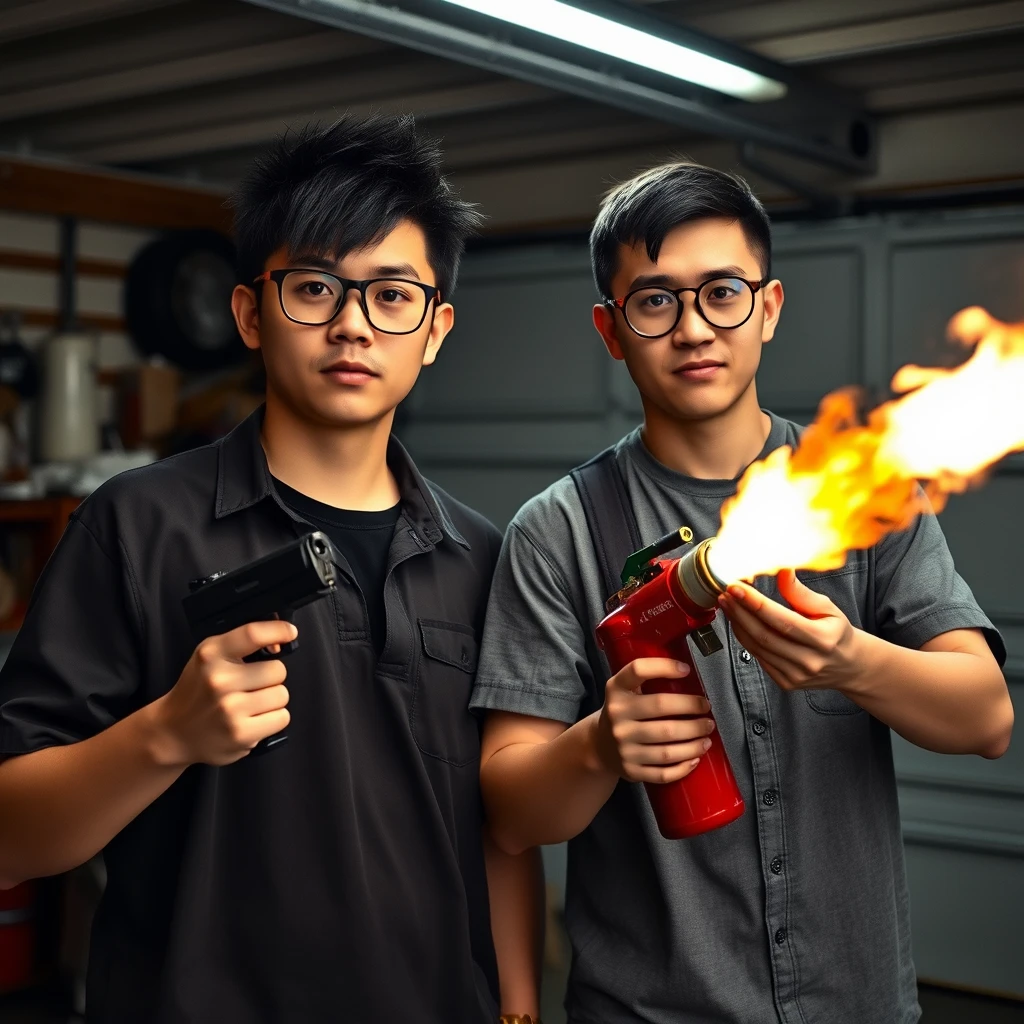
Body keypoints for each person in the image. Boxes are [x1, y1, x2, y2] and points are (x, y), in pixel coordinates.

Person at [0, 115, 543, 1023]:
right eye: (316, 288)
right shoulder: (135, 527)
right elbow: (12, 833)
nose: (353, 326)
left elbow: (504, 836)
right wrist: (163, 735)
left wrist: (521, 1012)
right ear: (251, 312)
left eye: (392, 296)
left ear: (435, 328)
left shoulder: (485, 558)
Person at [472, 161, 1013, 1024]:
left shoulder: (864, 489)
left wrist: (854, 663)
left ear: (768, 307)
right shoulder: (556, 531)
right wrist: (601, 745)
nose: (694, 329)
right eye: (655, 301)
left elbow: (986, 720)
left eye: (722, 292)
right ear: (610, 331)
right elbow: (508, 814)